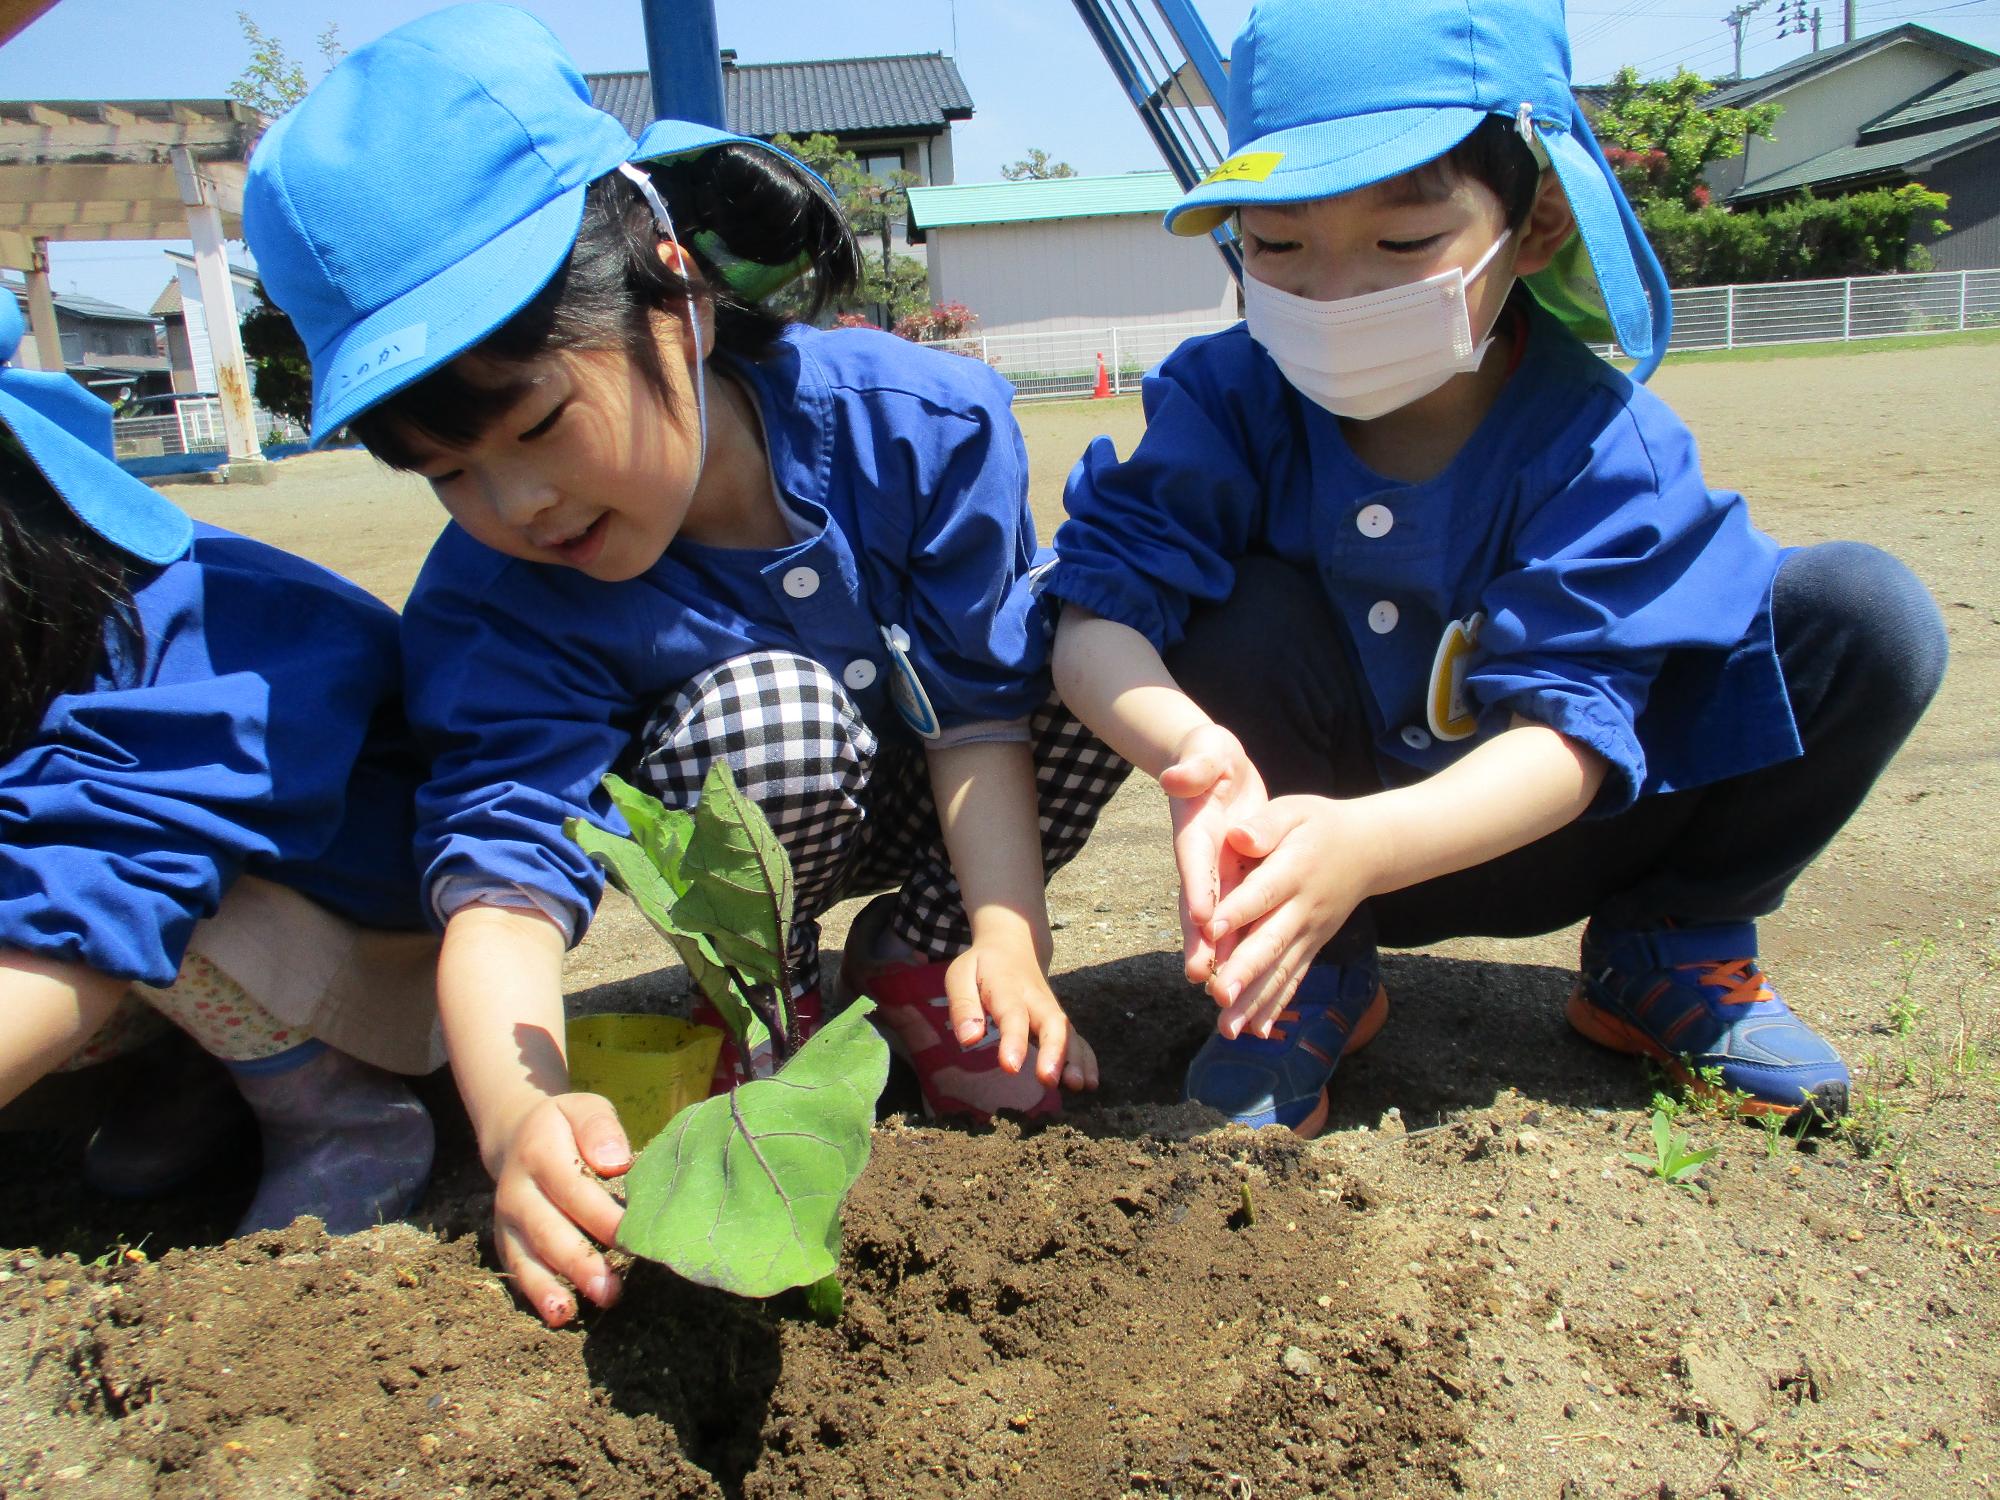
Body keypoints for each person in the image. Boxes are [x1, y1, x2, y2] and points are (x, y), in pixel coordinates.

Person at [242, 3, 1128, 1329]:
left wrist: (1009, 934)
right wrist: (520, 1117)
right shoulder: (501, 602)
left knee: (1096, 638)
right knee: (770, 714)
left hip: (952, 797)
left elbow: (980, 716)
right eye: (451, 476)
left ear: (674, 284)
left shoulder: (917, 426)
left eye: (537, 423)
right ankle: (772, 1018)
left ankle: (928, 968)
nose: (518, 506)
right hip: (766, 817)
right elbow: (502, 879)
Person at [1048, 0, 1948, 1139]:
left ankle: (1667, 945)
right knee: (1224, 607)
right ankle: (1307, 964)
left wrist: (1367, 845)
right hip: (1295, 841)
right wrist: (1191, 753)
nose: (1333, 296)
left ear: (1533, 226)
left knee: (1863, 619)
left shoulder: (1598, 440)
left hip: (1552, 831)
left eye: (1404, 244)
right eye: (1275, 245)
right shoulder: (1227, 399)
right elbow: (1095, 608)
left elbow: (1573, 734)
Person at [0, 294, 439, 1235]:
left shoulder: (189, 622)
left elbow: (94, 891)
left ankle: (330, 1105)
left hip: (375, 921)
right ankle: (199, 1068)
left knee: (141, 881)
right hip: (161, 893)